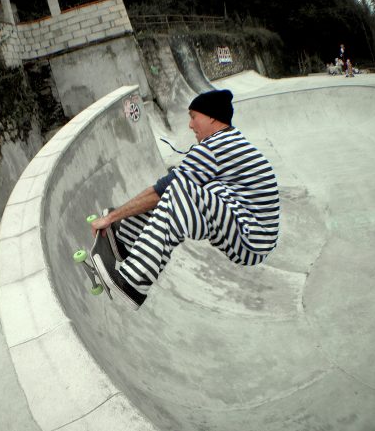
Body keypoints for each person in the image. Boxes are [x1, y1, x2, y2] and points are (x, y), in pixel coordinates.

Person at [91, 89, 280, 310]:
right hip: (245, 228)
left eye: (193, 117)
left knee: (177, 187)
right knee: (179, 180)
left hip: (251, 239)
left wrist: (111, 217)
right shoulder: (230, 140)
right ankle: (125, 241)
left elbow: (160, 191)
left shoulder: (215, 148)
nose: (190, 125)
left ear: (211, 116)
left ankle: (134, 282)